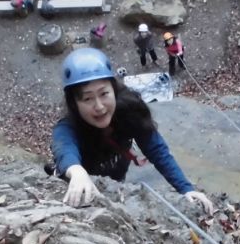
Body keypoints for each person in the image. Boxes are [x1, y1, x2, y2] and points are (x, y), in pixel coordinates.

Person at [51, 48, 214, 214]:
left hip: (115, 174)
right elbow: (64, 145)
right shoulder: (69, 126)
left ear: (113, 90)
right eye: (87, 98)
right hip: (82, 179)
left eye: (104, 94)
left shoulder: (130, 111)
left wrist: (186, 189)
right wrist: (76, 172)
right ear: (74, 103)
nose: (99, 106)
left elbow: (156, 150)